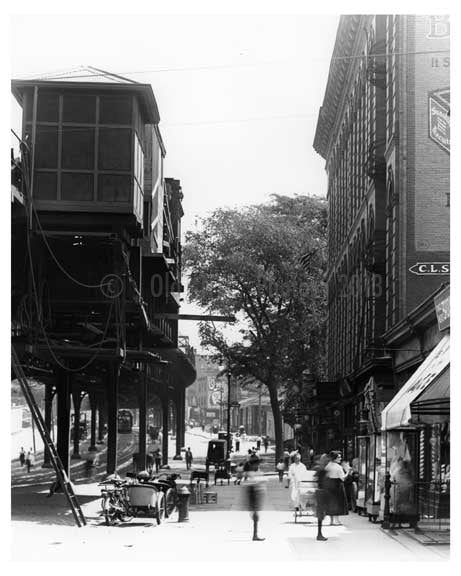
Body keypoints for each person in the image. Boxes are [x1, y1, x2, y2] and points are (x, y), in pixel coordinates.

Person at [243, 452, 266, 541]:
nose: (258, 465)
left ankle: (255, 534)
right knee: (255, 515)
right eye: (257, 463)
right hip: (253, 494)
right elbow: (251, 482)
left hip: (255, 494)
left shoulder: (254, 471)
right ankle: (255, 535)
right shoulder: (251, 473)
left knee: (256, 516)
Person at [324, 450, 348, 526]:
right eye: (339, 457)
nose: (340, 459)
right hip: (337, 485)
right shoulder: (338, 467)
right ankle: (336, 520)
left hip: (329, 484)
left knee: (331, 502)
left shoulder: (328, 465)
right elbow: (343, 478)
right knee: (338, 502)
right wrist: (347, 472)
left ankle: (331, 520)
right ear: (335, 458)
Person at [313, 453, 329, 541]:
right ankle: (319, 534)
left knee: (321, 514)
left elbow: (315, 480)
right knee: (320, 514)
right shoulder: (321, 469)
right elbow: (316, 481)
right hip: (321, 493)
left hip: (321, 492)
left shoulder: (321, 469)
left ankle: (320, 533)